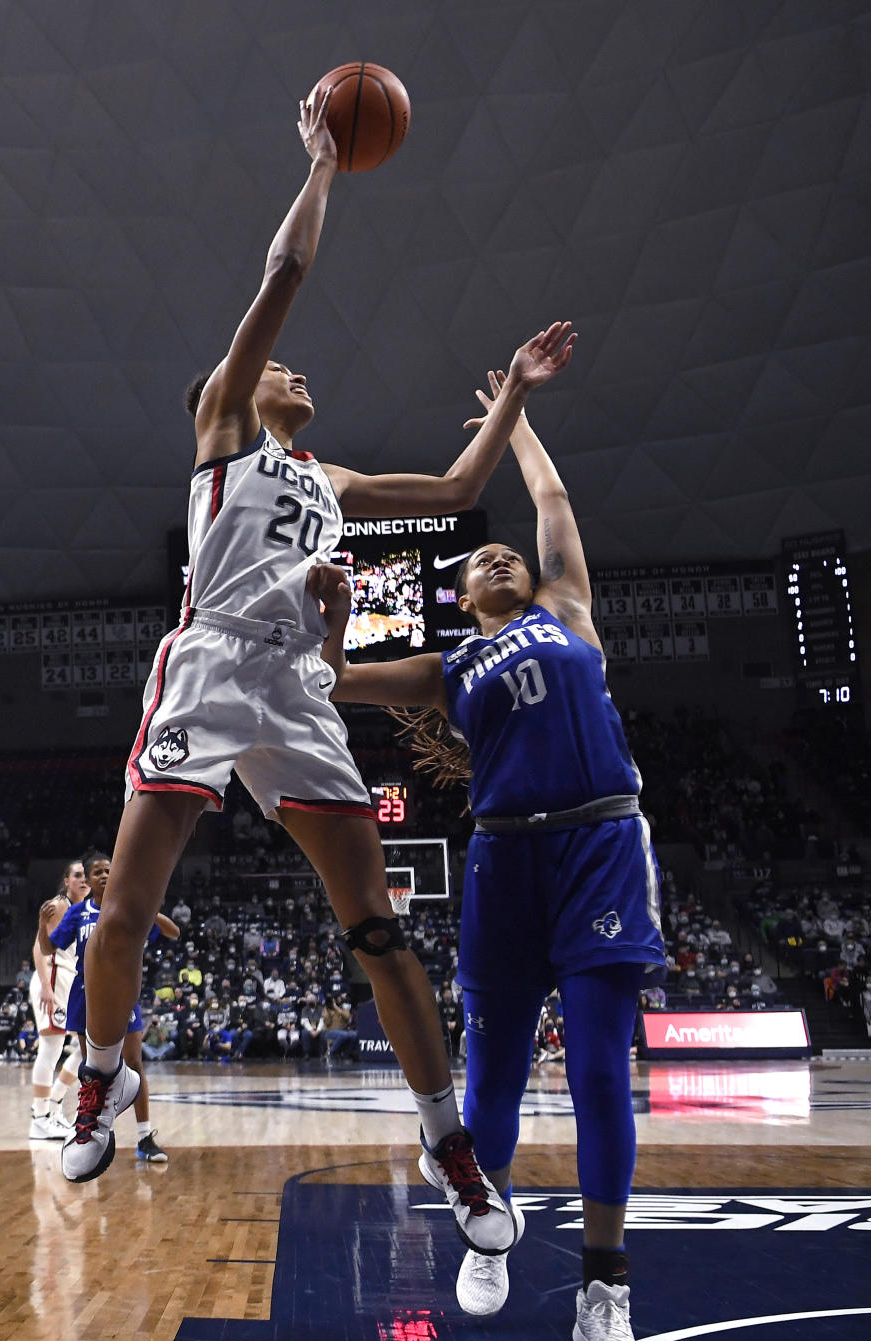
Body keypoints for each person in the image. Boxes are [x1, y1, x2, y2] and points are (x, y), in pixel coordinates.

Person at [68, 85, 571, 1262]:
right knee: (128, 903)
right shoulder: (224, 429)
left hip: (296, 687)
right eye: (276, 370)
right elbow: (282, 279)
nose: (293, 374)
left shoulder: (330, 480)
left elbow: (452, 493)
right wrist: (325, 166)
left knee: (379, 931)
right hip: (207, 668)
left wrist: (510, 401)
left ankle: (452, 1148)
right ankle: (97, 1081)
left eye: (292, 372)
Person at [313, 361, 665, 1341]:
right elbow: (333, 682)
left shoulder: (572, 615)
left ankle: (606, 1296)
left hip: (601, 844)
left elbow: (550, 501)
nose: (504, 551)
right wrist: (332, 616)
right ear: (463, 596)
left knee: (601, 1069)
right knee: (498, 1074)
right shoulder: (446, 667)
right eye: (485, 558)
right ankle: (489, 1231)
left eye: (510, 551)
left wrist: (513, 415)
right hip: (506, 856)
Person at [39, 853, 180, 1174]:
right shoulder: (78, 912)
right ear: (88, 880)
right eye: (98, 872)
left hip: (121, 993)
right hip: (83, 994)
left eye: (109, 871)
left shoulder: (129, 911)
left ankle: (145, 1137)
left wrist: (147, 910)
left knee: (134, 1063)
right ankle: (96, 1131)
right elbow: (51, 947)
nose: (104, 875)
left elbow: (173, 933)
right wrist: (40, 926)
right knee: (94, 1071)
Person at [28, 859, 90, 1141]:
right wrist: (45, 986)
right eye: (77, 875)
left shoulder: (85, 911)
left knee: (85, 1046)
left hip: (69, 982)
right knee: (51, 1048)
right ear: (67, 881)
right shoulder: (59, 905)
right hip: (52, 978)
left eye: (85, 875)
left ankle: (53, 1104)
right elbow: (39, 948)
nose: (83, 879)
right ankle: (40, 1118)